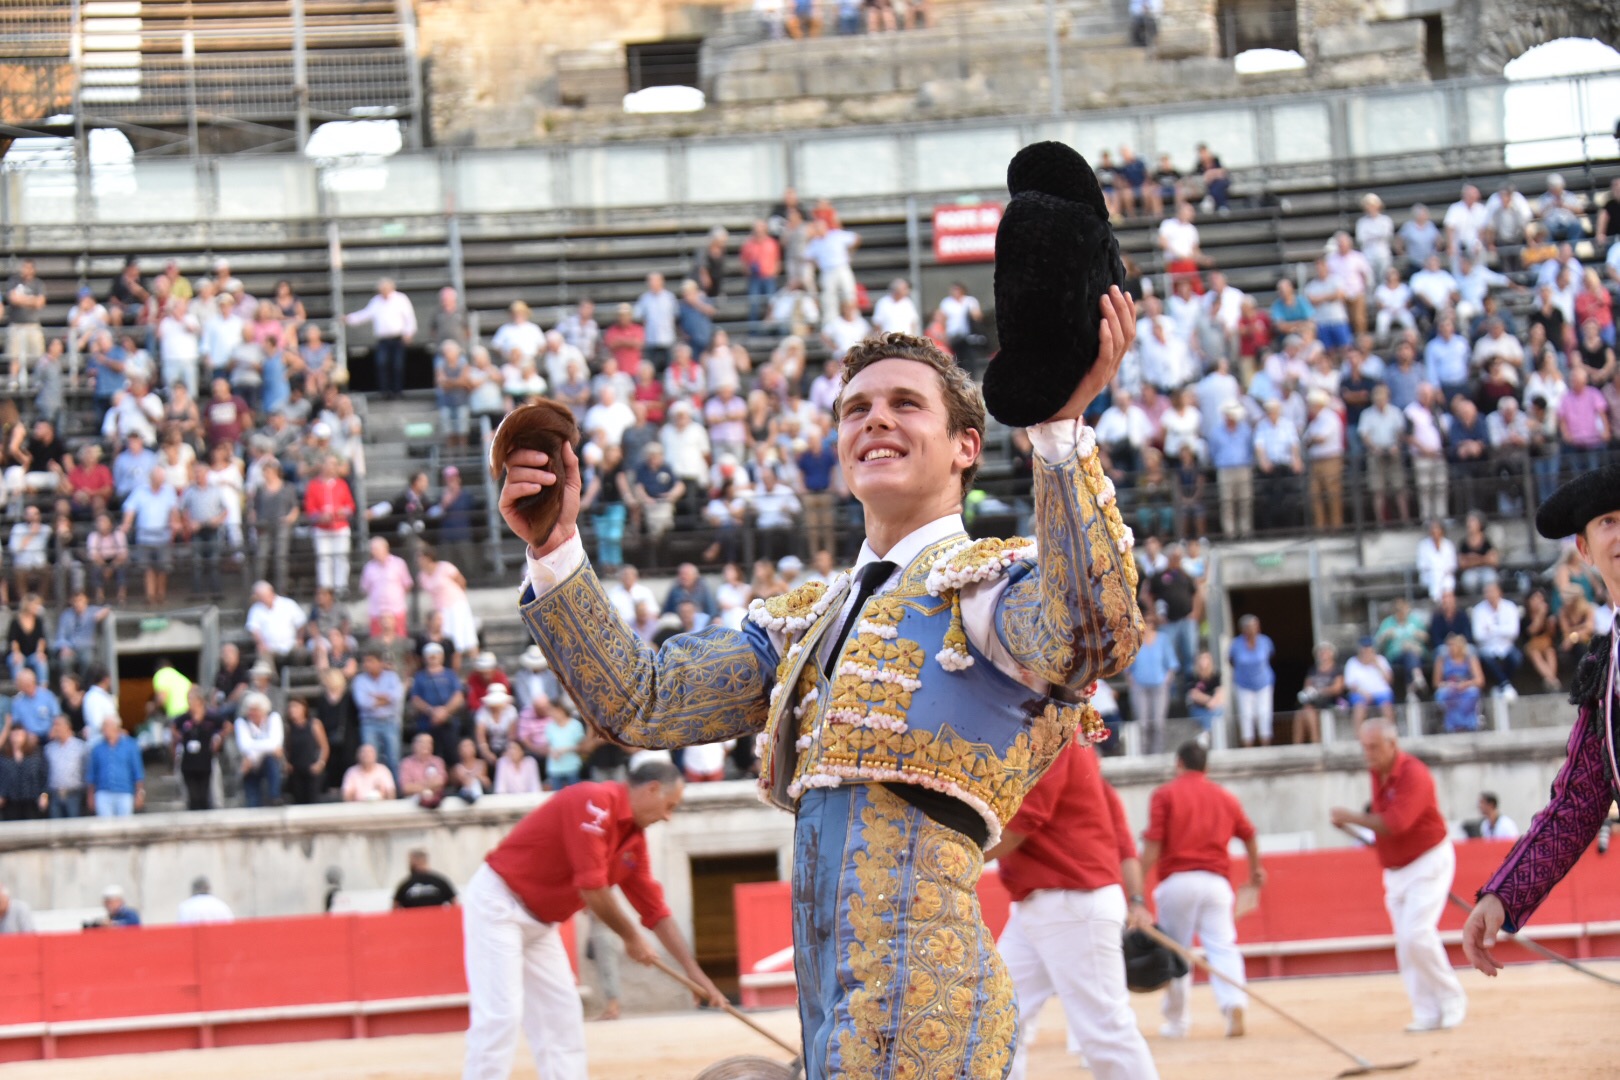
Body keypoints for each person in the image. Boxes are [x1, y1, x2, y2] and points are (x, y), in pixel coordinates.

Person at [500, 293, 1142, 1076]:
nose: (876, 420)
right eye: (856, 409)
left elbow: (1094, 630)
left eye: (906, 404)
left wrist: (1058, 433)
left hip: (930, 1011)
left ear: (965, 446)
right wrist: (556, 548)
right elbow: (643, 702)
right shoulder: (806, 622)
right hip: (830, 1015)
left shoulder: (987, 591)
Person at [460, 760, 723, 1080]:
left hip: (541, 924)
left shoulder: (633, 841)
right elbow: (592, 889)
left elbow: (656, 911)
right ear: (652, 789)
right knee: (500, 1014)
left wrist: (695, 974)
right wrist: (631, 938)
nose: (668, 816)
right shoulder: (594, 801)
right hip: (499, 904)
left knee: (562, 1014)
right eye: (669, 806)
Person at [1463, 464, 1620, 971]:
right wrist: (1502, 894)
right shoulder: (1607, 665)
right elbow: (1579, 799)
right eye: (1609, 521)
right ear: (1584, 549)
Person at [988, 740, 1158, 1080]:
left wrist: (949, 856)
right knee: (995, 1018)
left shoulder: (1053, 735)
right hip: (1050, 902)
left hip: (1070, 901)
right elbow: (1125, 847)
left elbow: (1017, 828)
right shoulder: (1071, 749)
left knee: (1106, 1032)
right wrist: (1136, 901)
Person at [1332, 718, 1467, 1031]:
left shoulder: (1414, 773)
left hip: (1427, 860)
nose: (1368, 753)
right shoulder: (1378, 771)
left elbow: (1397, 823)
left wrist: (1351, 817)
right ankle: (1426, 1012)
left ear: (1392, 745)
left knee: (1417, 935)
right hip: (1396, 869)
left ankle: (1451, 998)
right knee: (1406, 943)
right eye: (1365, 747)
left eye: (1374, 747)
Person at [1142, 741, 1263, 1039]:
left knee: (1177, 953)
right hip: (1216, 884)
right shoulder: (1225, 796)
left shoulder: (1165, 794)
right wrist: (1255, 869)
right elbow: (1249, 834)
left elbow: (1154, 844)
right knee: (1223, 946)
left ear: (1178, 763)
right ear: (1206, 767)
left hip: (1178, 882)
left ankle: (1177, 1022)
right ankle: (1234, 1003)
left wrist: (1135, 886)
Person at [344, 278, 416, 398]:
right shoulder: (376, 301)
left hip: (397, 338)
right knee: (382, 364)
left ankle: (397, 391)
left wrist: (409, 333)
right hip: (383, 340)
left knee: (398, 365)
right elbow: (365, 314)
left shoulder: (401, 299)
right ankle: (385, 391)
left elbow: (409, 317)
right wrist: (349, 318)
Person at [1228, 614, 1276, 747]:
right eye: (1249, 627)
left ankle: (1266, 746)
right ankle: (1248, 748)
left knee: (1264, 714)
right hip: (1243, 684)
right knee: (1246, 716)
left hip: (1263, 683)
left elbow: (1270, 656)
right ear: (1243, 629)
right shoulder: (1236, 644)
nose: (1252, 629)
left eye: (1255, 626)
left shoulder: (1265, 641)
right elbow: (1231, 661)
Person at [86, 714, 143, 817]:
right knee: (104, 824)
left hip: (125, 792)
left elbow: (137, 772)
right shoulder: (97, 748)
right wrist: (90, 796)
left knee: (125, 824)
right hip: (103, 792)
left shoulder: (130, 746)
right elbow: (92, 774)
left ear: (115, 727)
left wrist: (139, 793)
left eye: (106, 726)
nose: (104, 729)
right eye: (103, 726)